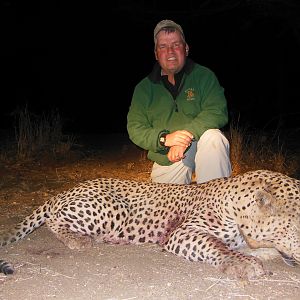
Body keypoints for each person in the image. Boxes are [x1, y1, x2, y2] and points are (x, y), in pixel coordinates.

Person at [127, 19, 232, 184]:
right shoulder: (143, 88)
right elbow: (135, 128)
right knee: (163, 209)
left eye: (176, 44)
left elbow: (217, 111)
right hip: (168, 155)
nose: (170, 51)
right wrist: (164, 139)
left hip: (200, 142)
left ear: (186, 48)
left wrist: (184, 137)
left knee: (214, 138)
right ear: (156, 53)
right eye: (163, 46)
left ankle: (214, 203)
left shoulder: (204, 76)